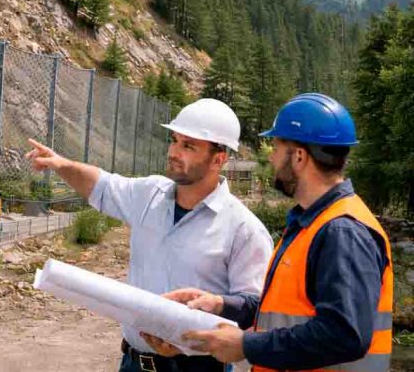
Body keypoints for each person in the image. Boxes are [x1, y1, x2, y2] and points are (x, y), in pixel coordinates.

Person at [26, 98, 273, 372]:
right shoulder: (148, 195)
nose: (174, 152)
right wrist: (60, 164)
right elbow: (102, 186)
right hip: (133, 363)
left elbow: (253, 306)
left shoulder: (244, 229)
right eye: (175, 140)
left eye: (188, 146)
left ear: (218, 159)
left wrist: (194, 336)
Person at [179, 93, 392, 371]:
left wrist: (246, 345)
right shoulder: (312, 223)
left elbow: (345, 334)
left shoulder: (342, 231)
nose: (272, 157)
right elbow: (285, 312)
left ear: (300, 157)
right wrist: (222, 304)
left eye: (276, 147)